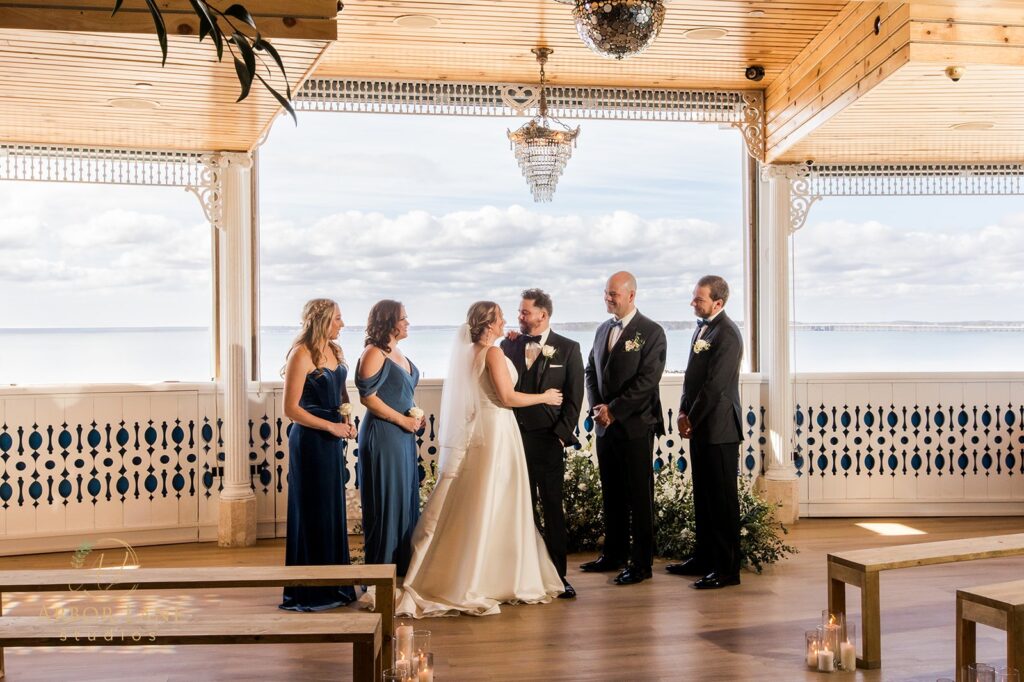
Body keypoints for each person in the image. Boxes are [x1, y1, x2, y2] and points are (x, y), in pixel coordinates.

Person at [397, 301, 565, 617]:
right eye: (501, 318)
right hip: (498, 430)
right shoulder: (493, 354)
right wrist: (545, 397)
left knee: (479, 499)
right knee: (498, 498)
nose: (505, 323)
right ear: (489, 324)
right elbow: (507, 397)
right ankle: (495, 576)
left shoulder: (471, 351)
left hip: (479, 430)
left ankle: (469, 570)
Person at [581, 272, 666, 585]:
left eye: (613, 294)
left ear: (631, 295)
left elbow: (647, 381)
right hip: (605, 426)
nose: (608, 298)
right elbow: (591, 369)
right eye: (606, 293)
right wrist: (597, 408)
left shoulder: (652, 331)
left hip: (635, 425)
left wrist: (614, 411)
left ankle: (641, 563)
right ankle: (613, 554)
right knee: (612, 492)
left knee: (638, 496)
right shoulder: (603, 329)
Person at [500, 288, 584, 599]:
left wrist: (561, 435)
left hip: (549, 440)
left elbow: (575, 399)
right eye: (519, 312)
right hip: (514, 438)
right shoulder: (507, 346)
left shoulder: (569, 348)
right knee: (522, 507)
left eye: (524, 312)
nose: (519, 317)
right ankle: (526, 572)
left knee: (552, 508)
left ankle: (559, 576)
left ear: (542, 315)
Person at [279, 298, 358, 612]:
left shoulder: (335, 352)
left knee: (331, 508)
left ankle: (336, 584)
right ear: (323, 321)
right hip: (310, 441)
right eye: (338, 318)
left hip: (331, 438)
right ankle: (311, 591)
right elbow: (291, 409)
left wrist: (346, 418)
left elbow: (340, 393)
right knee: (313, 510)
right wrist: (330, 427)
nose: (342, 323)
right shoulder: (301, 355)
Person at [669, 275, 744, 589]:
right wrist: (683, 410)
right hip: (700, 425)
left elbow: (714, 387)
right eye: (694, 297)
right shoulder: (703, 329)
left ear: (718, 302)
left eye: (699, 299)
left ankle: (727, 570)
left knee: (722, 501)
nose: (693, 303)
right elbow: (693, 379)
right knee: (703, 497)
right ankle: (703, 557)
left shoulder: (727, 334)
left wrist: (691, 418)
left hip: (720, 429)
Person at [356, 300, 424, 577]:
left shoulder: (397, 351)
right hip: (383, 434)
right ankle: (381, 570)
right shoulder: (373, 353)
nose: (408, 323)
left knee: (405, 496)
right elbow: (367, 397)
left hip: (403, 434)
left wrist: (415, 415)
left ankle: (402, 565)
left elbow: (399, 391)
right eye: (403, 318)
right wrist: (402, 419)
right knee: (386, 501)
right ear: (388, 322)